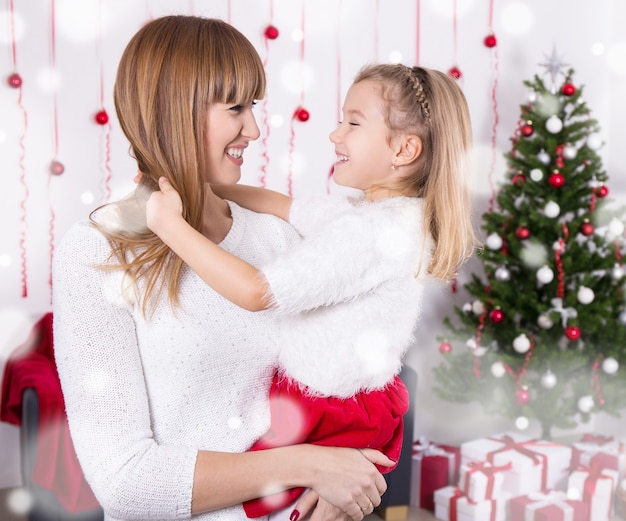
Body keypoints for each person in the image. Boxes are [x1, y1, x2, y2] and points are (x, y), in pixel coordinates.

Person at [52, 15, 393, 521]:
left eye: (253, 106)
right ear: (172, 110)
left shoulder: (276, 235)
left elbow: (355, 379)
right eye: (235, 107)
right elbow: (124, 482)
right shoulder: (98, 254)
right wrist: (309, 466)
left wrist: (348, 486)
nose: (253, 130)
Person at [145, 63, 478, 518]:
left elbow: (256, 291)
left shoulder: (375, 235)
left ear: (404, 149)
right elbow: (284, 206)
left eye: (353, 123)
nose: (335, 134)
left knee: (249, 499)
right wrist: (208, 188)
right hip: (340, 402)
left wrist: (169, 225)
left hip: (334, 413)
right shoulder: (371, 216)